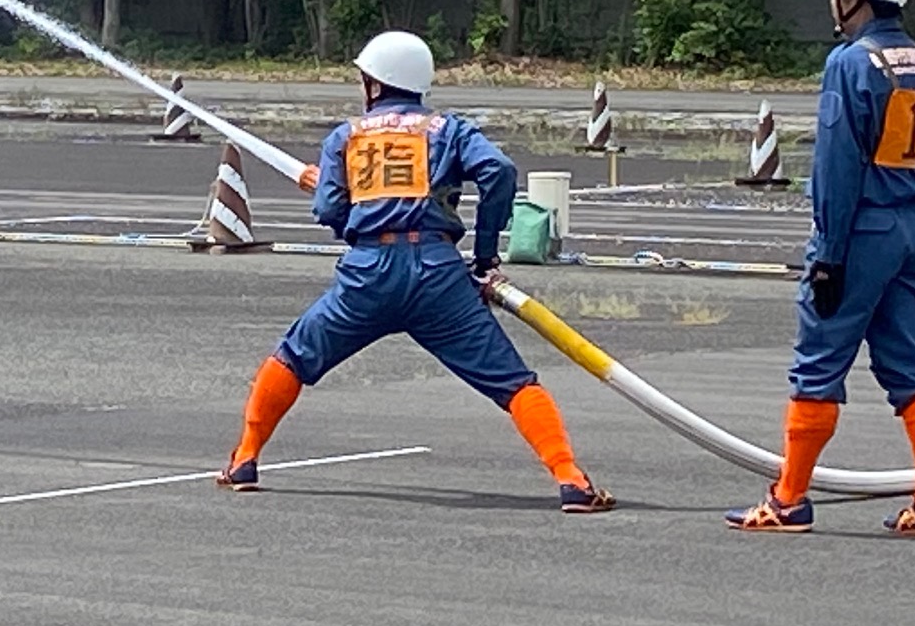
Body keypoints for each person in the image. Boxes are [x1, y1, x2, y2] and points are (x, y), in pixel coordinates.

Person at [215, 30, 615, 513]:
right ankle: (570, 479)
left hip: (366, 275)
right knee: (512, 381)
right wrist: (486, 254)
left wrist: (355, 215)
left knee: (294, 356)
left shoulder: (346, 137)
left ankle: (245, 460)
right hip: (437, 275)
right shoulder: (449, 130)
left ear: (375, 85)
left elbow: (329, 210)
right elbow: (500, 172)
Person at [727, 0, 915, 537]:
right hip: (909, 226)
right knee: (910, 366)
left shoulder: (850, 64)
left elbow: (837, 166)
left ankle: (789, 499)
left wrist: (828, 254)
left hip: (861, 229)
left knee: (819, 362)